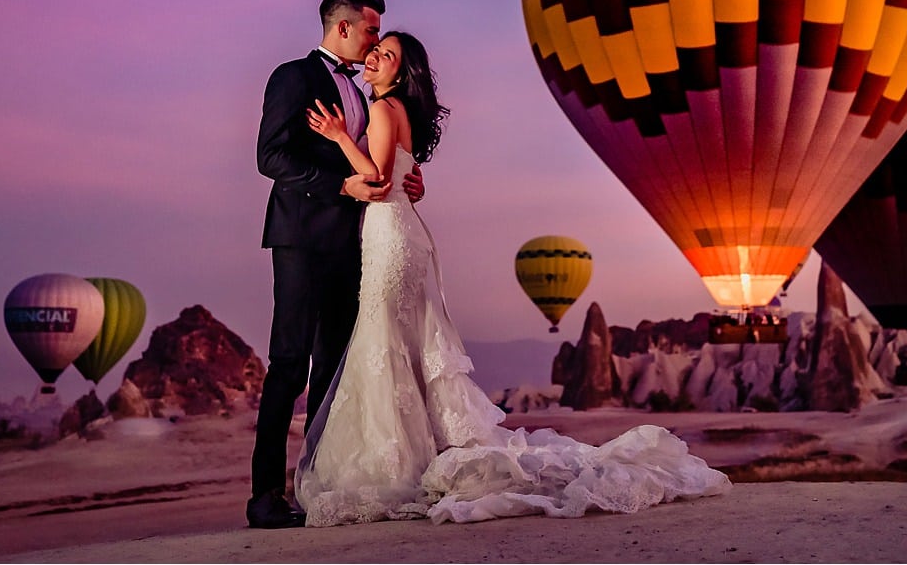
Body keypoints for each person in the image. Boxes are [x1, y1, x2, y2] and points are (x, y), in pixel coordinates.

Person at [294, 30, 731, 527]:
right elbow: (401, 178)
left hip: (390, 236)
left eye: (387, 55)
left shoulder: (381, 110)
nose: (374, 57)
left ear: (401, 72)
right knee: (399, 341)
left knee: (385, 340)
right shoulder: (401, 113)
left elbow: (377, 180)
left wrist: (338, 138)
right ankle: (419, 452)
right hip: (403, 234)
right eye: (375, 50)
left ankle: (396, 460)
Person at [250, 0, 424, 530]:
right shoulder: (292, 78)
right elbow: (270, 156)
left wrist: (404, 180)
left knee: (336, 366)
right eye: (371, 29)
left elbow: (380, 157)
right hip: (302, 238)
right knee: (289, 363)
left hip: (361, 243)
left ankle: (323, 485)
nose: (375, 42)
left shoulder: (374, 95)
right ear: (343, 27)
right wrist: (342, 187)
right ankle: (265, 497)